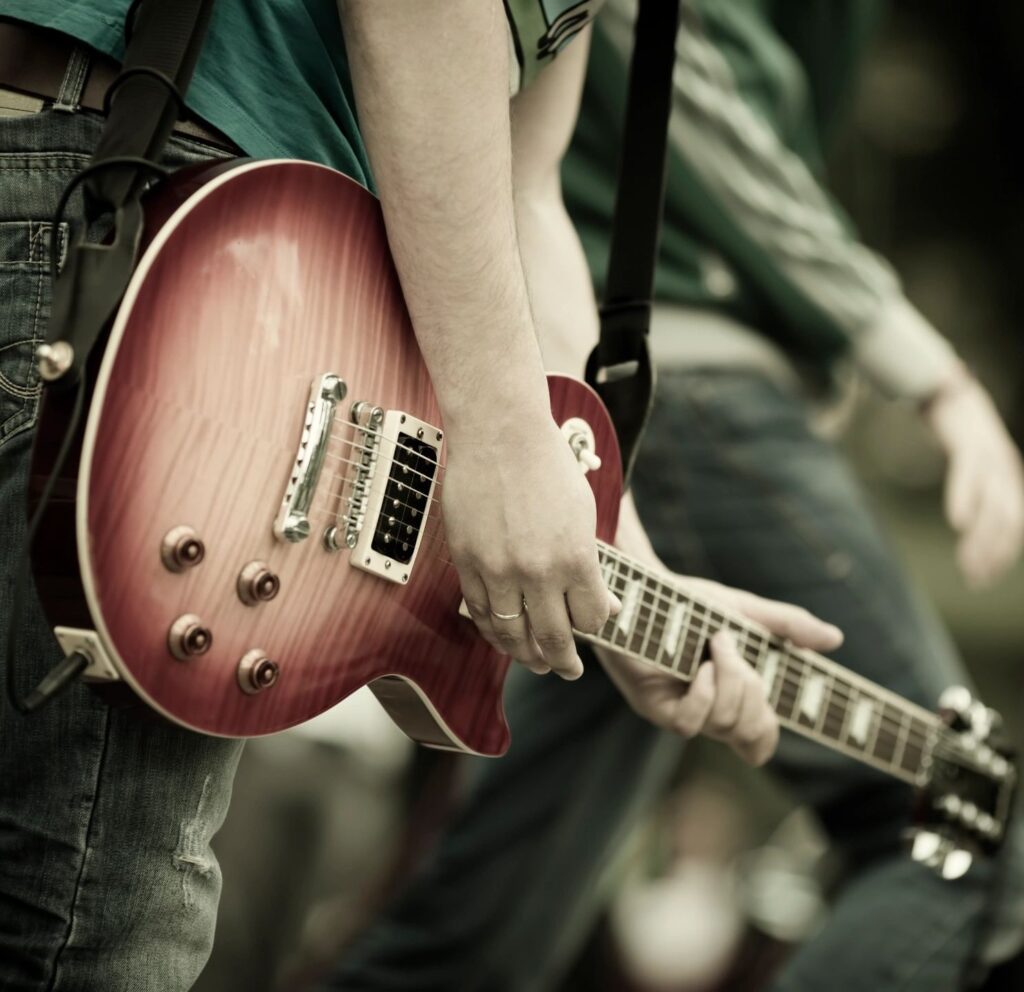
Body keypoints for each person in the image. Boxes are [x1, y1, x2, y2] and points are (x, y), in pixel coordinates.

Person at [0, 3, 842, 989]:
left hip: (139, 216)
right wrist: (494, 436)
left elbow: (524, 194)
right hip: (136, 211)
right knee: (88, 926)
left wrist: (618, 565)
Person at [325, 2, 1024, 990]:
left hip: (589, 409)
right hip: (686, 401)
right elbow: (705, 117)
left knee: (480, 930)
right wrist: (930, 370)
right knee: (961, 824)